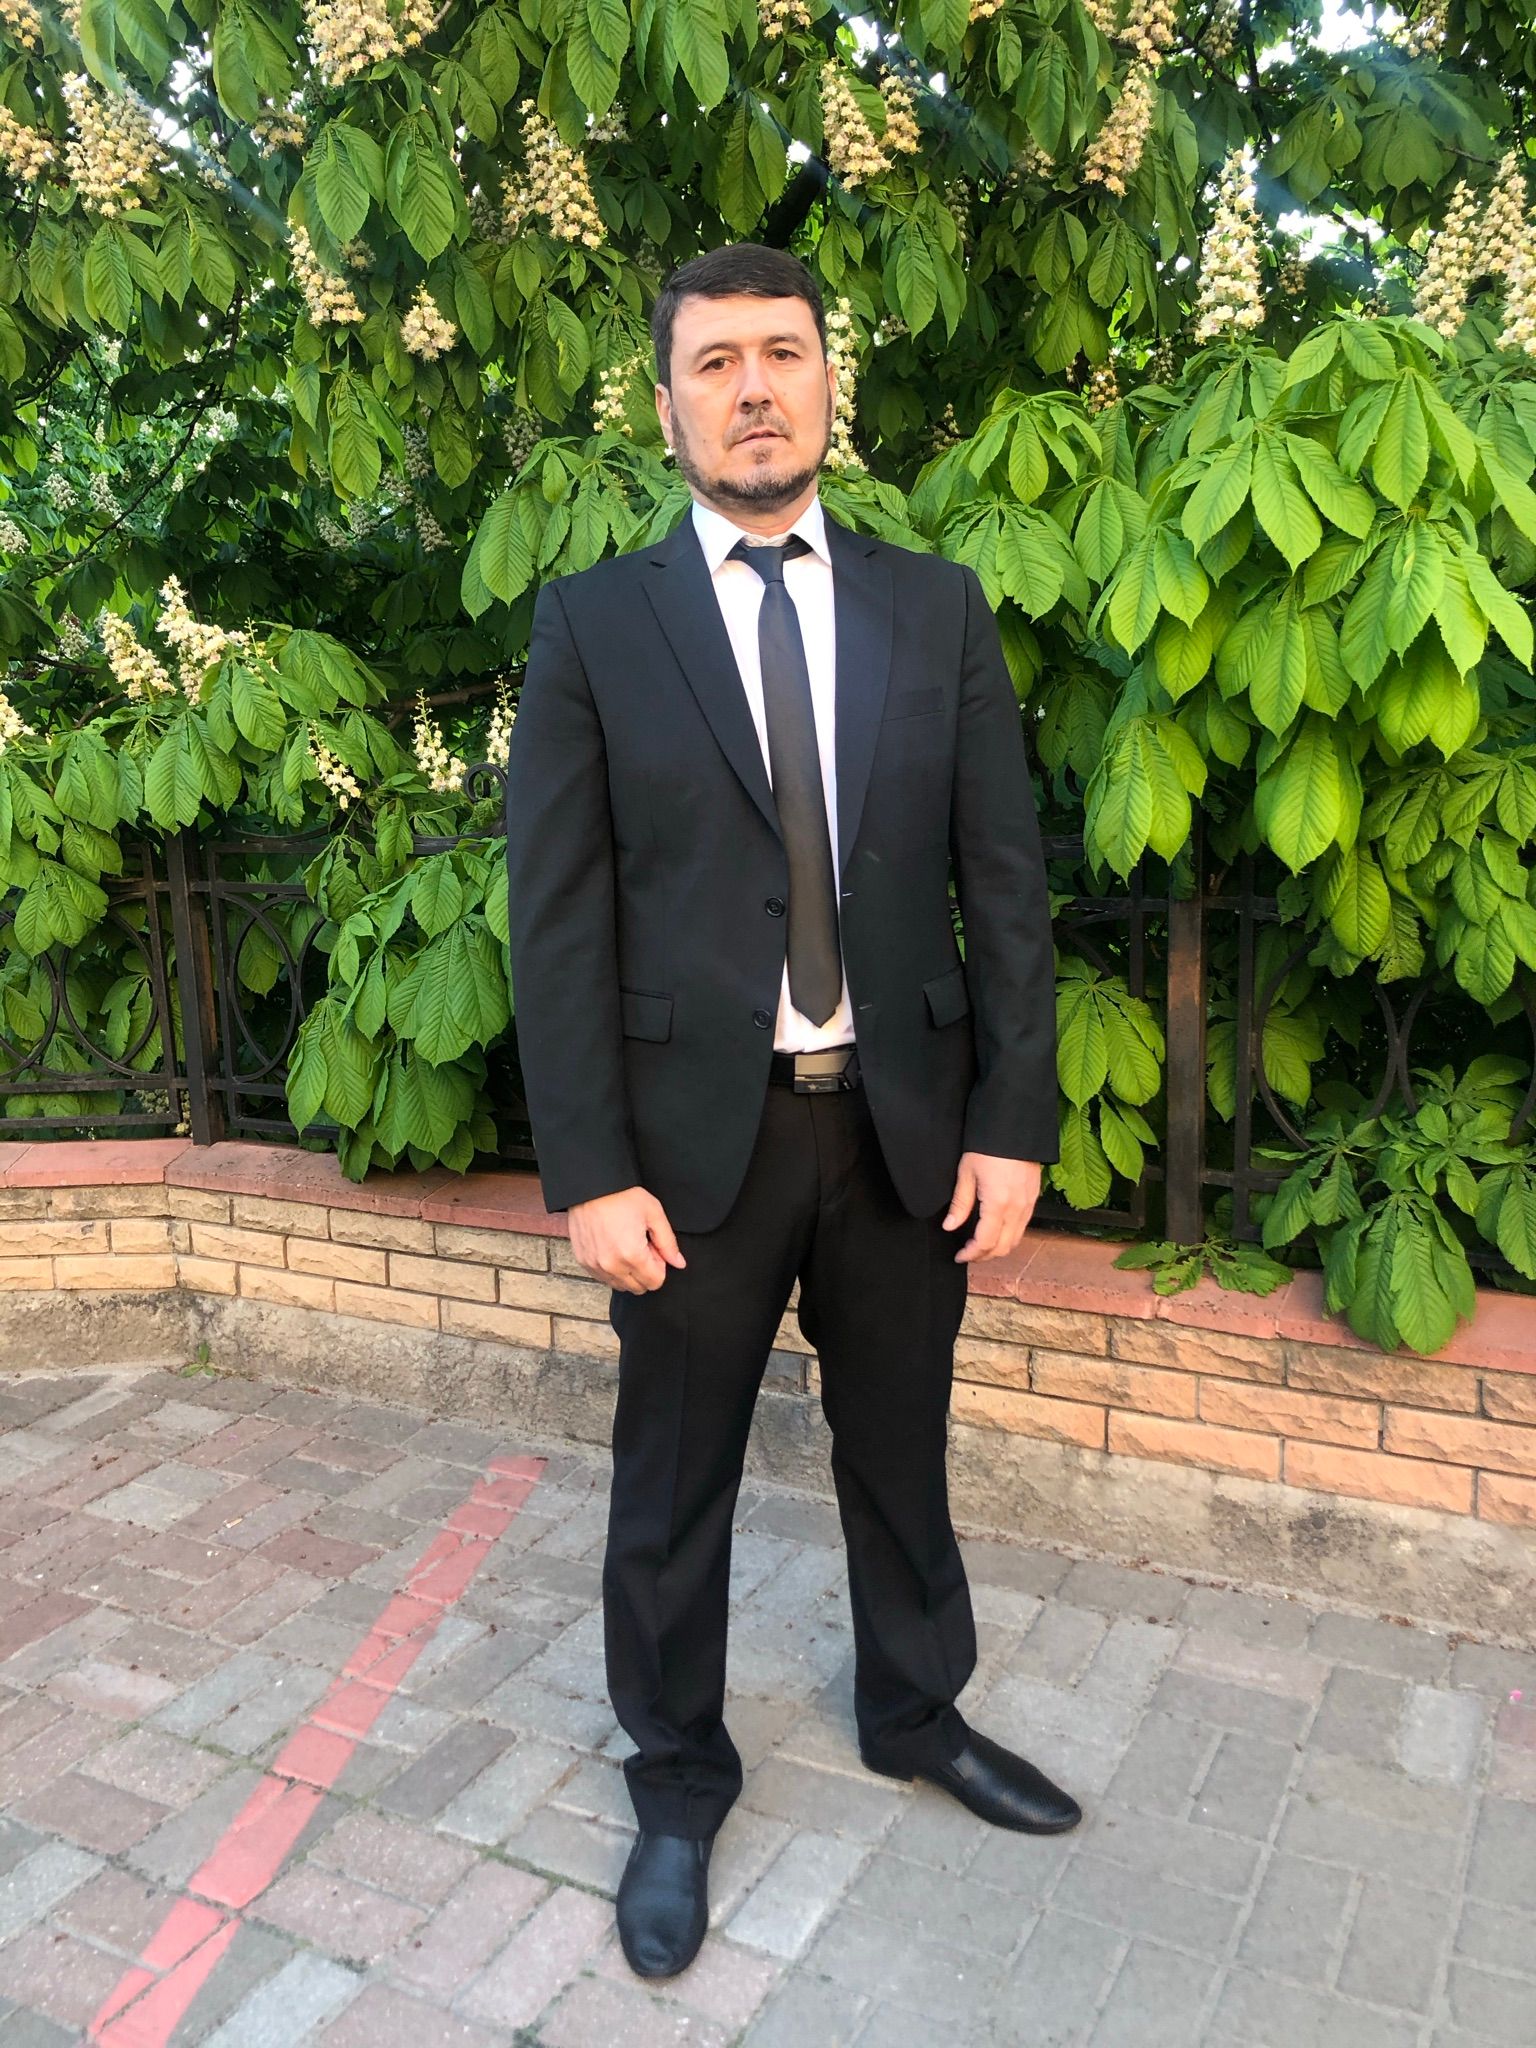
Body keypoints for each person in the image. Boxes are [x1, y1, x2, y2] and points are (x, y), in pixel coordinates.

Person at [502, 242, 1080, 1983]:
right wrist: (588, 1169)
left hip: (903, 1131)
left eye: (783, 353)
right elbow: (555, 916)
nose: (753, 388)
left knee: (902, 1451)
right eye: (715, 363)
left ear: (832, 380)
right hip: (696, 1148)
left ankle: (916, 1714)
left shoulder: (937, 606)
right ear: (666, 403)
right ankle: (678, 1781)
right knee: (671, 1487)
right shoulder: (596, 624)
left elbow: (1004, 882)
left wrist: (1014, 1120)